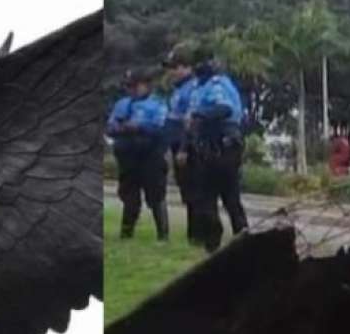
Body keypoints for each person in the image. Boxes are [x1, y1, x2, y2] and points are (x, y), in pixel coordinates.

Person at [186, 50, 248, 252]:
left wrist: (199, 114)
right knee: (206, 200)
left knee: (229, 198)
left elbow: (225, 108)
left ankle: (244, 242)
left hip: (223, 146)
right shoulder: (199, 86)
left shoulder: (218, 84)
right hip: (207, 147)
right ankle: (212, 246)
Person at [106, 68, 170, 240]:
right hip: (128, 156)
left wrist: (139, 127)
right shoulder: (122, 104)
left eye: (135, 86)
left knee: (156, 195)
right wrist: (122, 128)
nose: (131, 90)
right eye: (129, 86)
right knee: (129, 196)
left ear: (147, 86)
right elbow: (111, 127)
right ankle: (126, 233)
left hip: (151, 155)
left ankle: (163, 235)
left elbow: (160, 128)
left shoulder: (158, 104)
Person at [162, 45, 200, 243]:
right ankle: (192, 234)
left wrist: (184, 148)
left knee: (194, 192)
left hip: (189, 147)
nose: (171, 72)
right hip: (176, 145)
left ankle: (196, 235)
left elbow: (190, 122)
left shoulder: (193, 88)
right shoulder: (178, 90)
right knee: (186, 191)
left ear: (187, 67)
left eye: (175, 67)